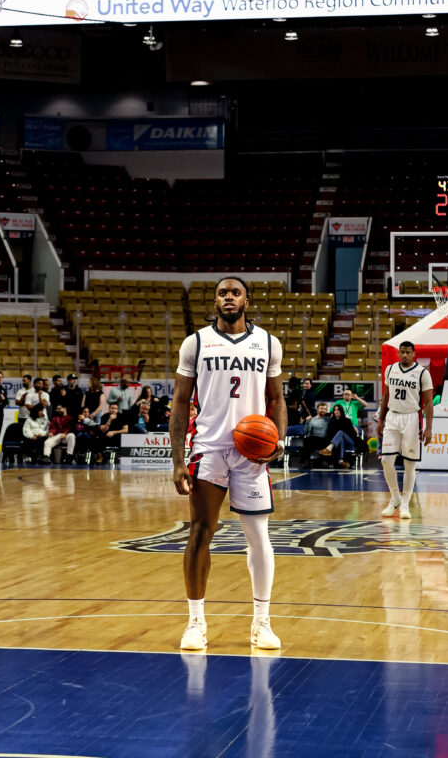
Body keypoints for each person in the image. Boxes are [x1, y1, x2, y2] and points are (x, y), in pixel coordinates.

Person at [171, 276, 286, 651]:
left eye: (235, 292)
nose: (229, 297)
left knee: (259, 538)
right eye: (222, 293)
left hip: (252, 452)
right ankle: (195, 622)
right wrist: (176, 459)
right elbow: (179, 401)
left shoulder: (268, 342)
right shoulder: (196, 343)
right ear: (216, 301)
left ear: (246, 300)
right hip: (209, 447)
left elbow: (278, 399)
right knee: (201, 531)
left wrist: (279, 443)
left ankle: (262, 623)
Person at [378, 341, 433, 520]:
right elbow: (386, 395)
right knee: (386, 460)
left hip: (411, 418)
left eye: (408, 352)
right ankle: (395, 498)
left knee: (410, 464)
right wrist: (380, 419)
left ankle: (405, 504)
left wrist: (428, 428)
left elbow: (429, 402)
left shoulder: (423, 373)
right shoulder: (390, 369)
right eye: (402, 352)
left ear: (414, 354)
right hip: (392, 417)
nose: (404, 355)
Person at [318, 403, 363, 469]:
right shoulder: (332, 421)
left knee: (340, 432)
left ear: (341, 411)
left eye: (338, 410)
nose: (336, 411)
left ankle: (329, 449)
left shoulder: (347, 420)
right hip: (339, 441)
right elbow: (330, 433)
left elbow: (351, 434)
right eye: (335, 410)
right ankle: (341, 460)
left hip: (350, 441)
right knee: (340, 438)